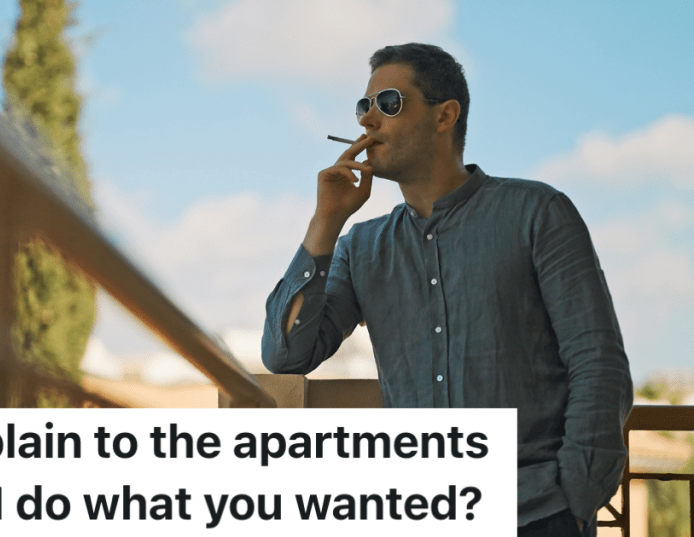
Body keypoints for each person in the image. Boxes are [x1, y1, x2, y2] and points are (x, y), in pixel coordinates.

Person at [261, 43, 633, 536]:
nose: (368, 121)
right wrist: (325, 221)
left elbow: (598, 362)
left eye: (388, 102)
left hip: (535, 514)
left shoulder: (537, 212)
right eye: (362, 107)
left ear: (445, 116)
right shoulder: (361, 246)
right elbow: (286, 355)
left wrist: (575, 502)